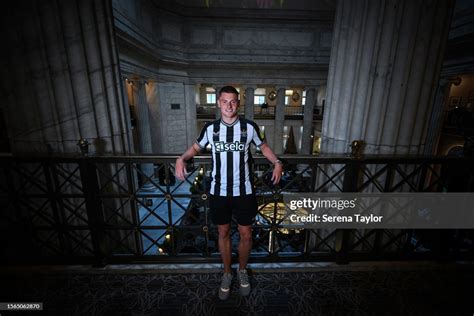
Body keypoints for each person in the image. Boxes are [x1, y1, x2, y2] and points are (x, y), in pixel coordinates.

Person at [175, 86, 283, 300]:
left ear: (238, 103)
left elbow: (263, 146)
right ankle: (226, 273)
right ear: (218, 103)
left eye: (233, 101)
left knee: (246, 235)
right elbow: (196, 148)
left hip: (244, 191)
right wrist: (181, 158)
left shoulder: (250, 127)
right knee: (223, 233)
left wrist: (277, 162)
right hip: (219, 191)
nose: (229, 105)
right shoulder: (210, 129)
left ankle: (241, 271)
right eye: (225, 101)